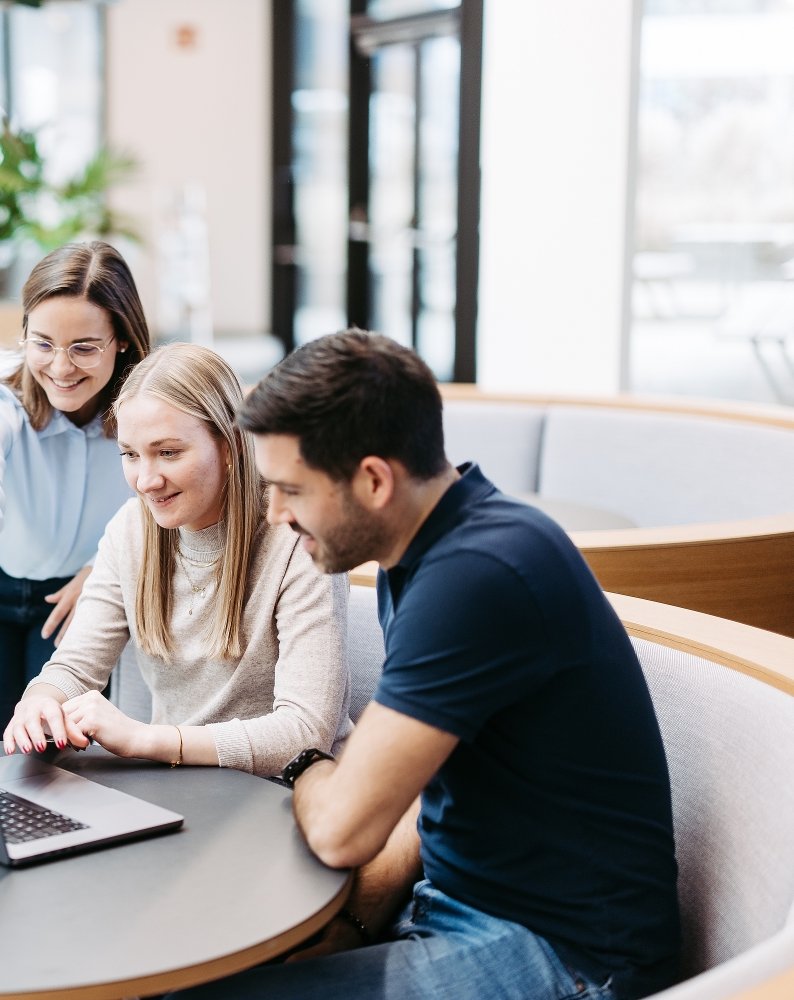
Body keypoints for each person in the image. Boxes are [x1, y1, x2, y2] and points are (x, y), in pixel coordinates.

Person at [170, 331, 680, 1000]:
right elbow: (419, 791)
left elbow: (340, 829)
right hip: (459, 905)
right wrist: (357, 917)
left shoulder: (478, 575)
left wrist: (307, 764)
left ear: (375, 480)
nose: (274, 514)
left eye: (290, 489)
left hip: (570, 956)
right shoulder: (419, 554)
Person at [2, 343, 352, 777]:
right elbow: (74, 667)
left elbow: (304, 734)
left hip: (285, 793)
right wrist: (39, 701)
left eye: (168, 452)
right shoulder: (131, 530)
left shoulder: (298, 538)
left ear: (228, 445)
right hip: (181, 785)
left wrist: (145, 739)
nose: (146, 481)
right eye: (130, 454)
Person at [0, 242, 152, 741]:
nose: (61, 368)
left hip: (79, 597)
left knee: (53, 749)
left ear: (122, 340)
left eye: (84, 347)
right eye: (42, 343)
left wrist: (107, 568)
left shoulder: (151, 401)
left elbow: (168, 501)